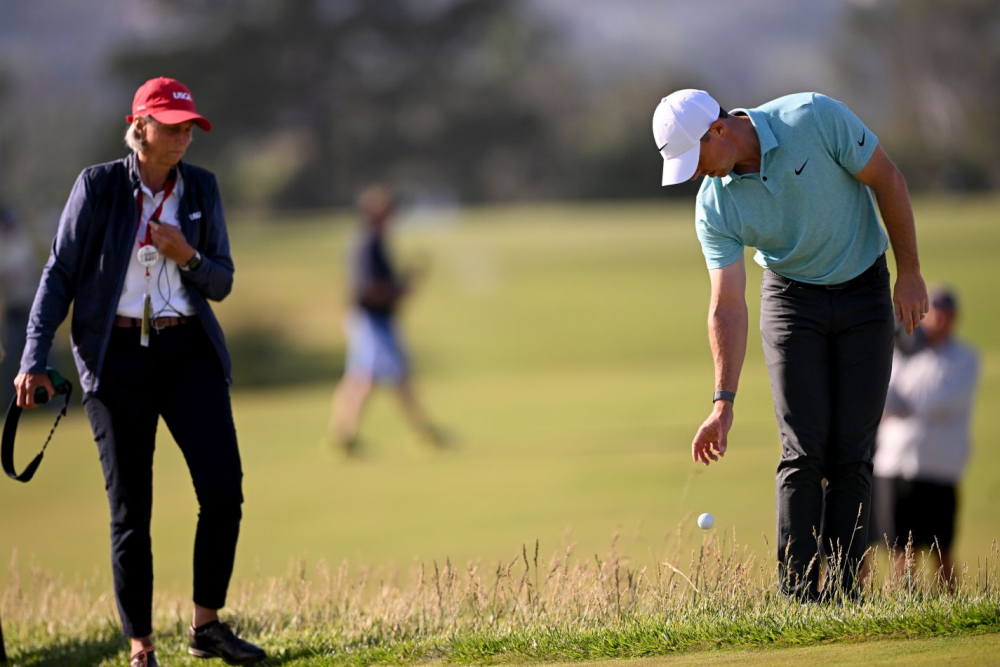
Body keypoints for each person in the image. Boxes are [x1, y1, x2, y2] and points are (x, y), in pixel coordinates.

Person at [15, 77, 265, 667]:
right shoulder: (98, 186)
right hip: (116, 360)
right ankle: (140, 647)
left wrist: (188, 256)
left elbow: (222, 280)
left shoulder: (202, 187)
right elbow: (58, 275)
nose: (182, 138)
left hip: (189, 355)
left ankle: (207, 627)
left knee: (224, 493)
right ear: (140, 128)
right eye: (171, 126)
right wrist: (33, 357)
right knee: (132, 511)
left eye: (188, 128)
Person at [652, 90, 928, 599]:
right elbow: (727, 306)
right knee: (803, 452)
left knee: (851, 451)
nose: (695, 174)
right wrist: (722, 402)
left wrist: (909, 271)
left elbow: (888, 178)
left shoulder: (813, 117)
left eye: (696, 159)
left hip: (864, 289)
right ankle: (798, 596)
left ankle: (847, 593)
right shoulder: (714, 203)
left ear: (719, 129)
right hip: (791, 300)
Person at [873, 286, 979, 587]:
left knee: (940, 547)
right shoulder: (901, 353)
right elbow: (880, 399)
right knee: (899, 549)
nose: (938, 321)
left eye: (945, 315)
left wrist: (901, 405)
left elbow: (937, 401)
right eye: (933, 314)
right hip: (894, 462)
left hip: (938, 465)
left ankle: (951, 605)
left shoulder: (963, 358)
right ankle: (905, 605)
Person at [327, 184, 443, 456]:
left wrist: (403, 283)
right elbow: (370, 290)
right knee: (373, 378)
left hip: (376, 320)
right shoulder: (368, 244)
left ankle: (344, 434)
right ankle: (421, 433)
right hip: (371, 319)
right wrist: (402, 288)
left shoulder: (375, 242)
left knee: (364, 378)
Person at [0, 206, 39, 409]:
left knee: (41, 357)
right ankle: (10, 404)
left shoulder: (22, 243)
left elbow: (31, 271)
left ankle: (47, 402)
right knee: (11, 362)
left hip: (30, 310)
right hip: (13, 312)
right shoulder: (3, 247)